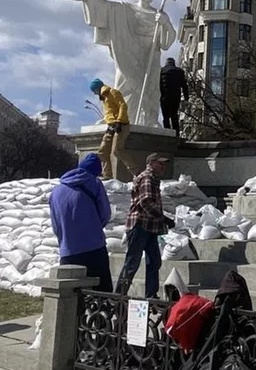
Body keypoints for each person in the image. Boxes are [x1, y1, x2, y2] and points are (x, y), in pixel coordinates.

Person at [64, 0, 177, 127]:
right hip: (128, 54)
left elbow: (167, 42)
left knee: (151, 89)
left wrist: (165, 23)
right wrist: (87, 0)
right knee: (123, 85)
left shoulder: (159, 15)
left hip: (150, 56)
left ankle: (150, 120)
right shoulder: (125, 9)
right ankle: (117, 116)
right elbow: (107, 7)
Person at [49, 153, 113, 292]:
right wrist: (94, 227)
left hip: (68, 252)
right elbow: (105, 213)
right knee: (101, 294)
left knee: (71, 296)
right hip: (94, 248)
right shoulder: (94, 183)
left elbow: (56, 225)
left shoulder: (56, 191)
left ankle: (76, 314)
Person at [116, 154, 174, 298]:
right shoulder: (147, 178)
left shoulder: (153, 179)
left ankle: (151, 294)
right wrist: (163, 218)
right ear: (152, 163)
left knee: (154, 261)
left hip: (150, 227)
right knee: (132, 263)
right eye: (161, 164)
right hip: (140, 225)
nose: (163, 167)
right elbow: (146, 202)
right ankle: (118, 296)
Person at [90, 78, 140, 179]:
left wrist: (119, 121)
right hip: (111, 126)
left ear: (97, 89)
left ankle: (138, 173)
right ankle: (107, 175)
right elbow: (110, 112)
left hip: (121, 125)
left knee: (117, 150)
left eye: (94, 91)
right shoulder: (104, 97)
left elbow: (123, 105)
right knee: (102, 151)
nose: (94, 93)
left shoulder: (112, 92)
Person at [160, 58, 189, 136]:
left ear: (166, 63)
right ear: (173, 63)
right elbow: (184, 86)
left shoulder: (161, 71)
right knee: (174, 116)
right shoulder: (180, 72)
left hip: (164, 98)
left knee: (165, 117)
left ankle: (167, 134)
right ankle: (176, 136)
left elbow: (158, 85)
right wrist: (186, 99)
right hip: (175, 98)